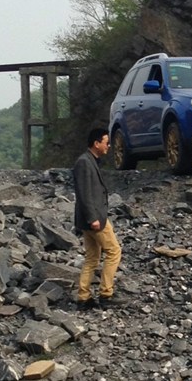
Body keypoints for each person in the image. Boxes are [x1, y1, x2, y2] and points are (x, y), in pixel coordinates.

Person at [73, 127, 122, 311]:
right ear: (96, 143)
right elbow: (84, 193)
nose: (108, 146)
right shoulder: (84, 162)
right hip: (94, 218)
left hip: (89, 218)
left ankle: (83, 297)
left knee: (92, 257)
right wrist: (93, 218)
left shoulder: (89, 161)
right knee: (114, 251)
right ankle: (106, 294)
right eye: (106, 142)